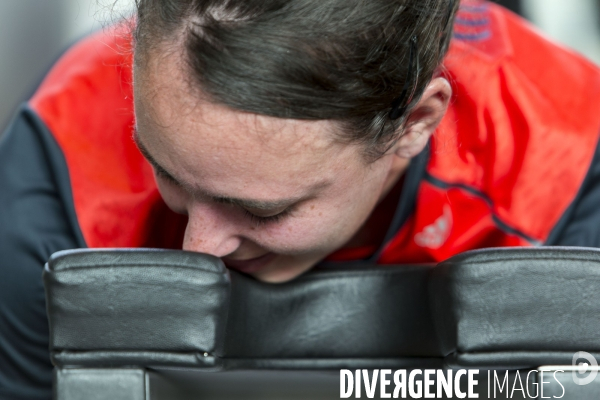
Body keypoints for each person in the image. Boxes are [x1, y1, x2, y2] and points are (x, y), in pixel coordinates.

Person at [2, 0, 600, 398]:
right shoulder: (56, 172)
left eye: (263, 209)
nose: (199, 249)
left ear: (415, 123)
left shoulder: (565, 166)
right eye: (167, 172)